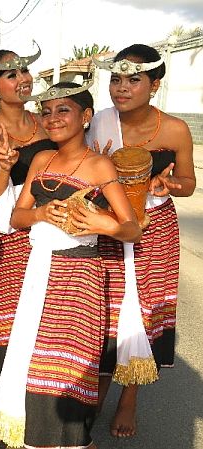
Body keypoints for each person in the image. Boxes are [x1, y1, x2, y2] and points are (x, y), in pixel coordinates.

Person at [0, 81, 142, 449]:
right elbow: (17, 217)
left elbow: (132, 227)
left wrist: (104, 224)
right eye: (47, 111)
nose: (53, 118)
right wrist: (41, 212)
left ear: (86, 116)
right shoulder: (42, 160)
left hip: (78, 278)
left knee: (67, 370)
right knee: (34, 366)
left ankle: (76, 442)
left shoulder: (99, 164)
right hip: (38, 272)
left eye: (64, 110)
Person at [89, 44, 195, 438]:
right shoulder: (99, 122)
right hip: (111, 224)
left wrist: (170, 184)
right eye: (116, 79)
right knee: (106, 309)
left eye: (134, 80)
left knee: (146, 308)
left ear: (155, 84)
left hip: (155, 230)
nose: (122, 87)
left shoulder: (175, 129)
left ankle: (129, 396)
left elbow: (188, 183)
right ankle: (99, 382)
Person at [0, 46, 57, 375]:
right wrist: (5, 168)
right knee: (13, 329)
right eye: (12, 74)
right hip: (10, 242)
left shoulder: (49, 123)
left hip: (53, 233)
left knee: (50, 325)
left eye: (23, 70)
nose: (23, 79)